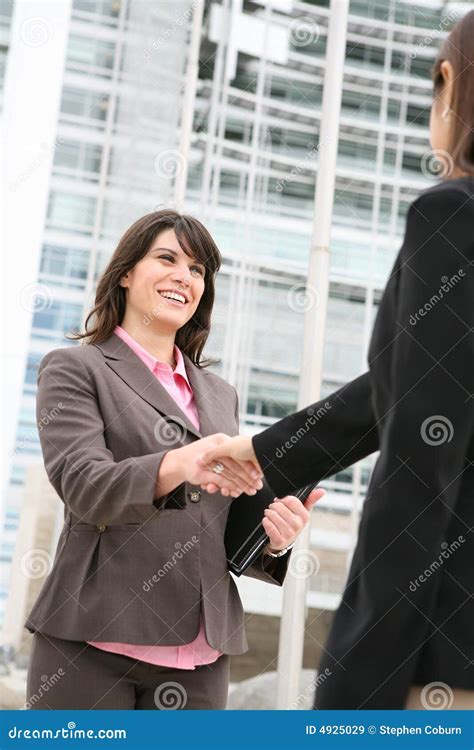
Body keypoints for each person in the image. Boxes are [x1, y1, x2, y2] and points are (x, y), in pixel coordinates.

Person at [198, 11, 474, 709]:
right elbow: (410, 385)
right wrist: (266, 452)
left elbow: (422, 451)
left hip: (443, 654)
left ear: (450, 84)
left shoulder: (454, 214)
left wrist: (358, 679)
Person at [25, 210, 323, 710]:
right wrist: (182, 462)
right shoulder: (77, 368)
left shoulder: (219, 393)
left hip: (200, 655)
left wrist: (271, 538)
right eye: (167, 258)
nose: (184, 277)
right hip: (93, 641)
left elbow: (216, 519)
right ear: (125, 272)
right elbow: (84, 486)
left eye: (198, 270)